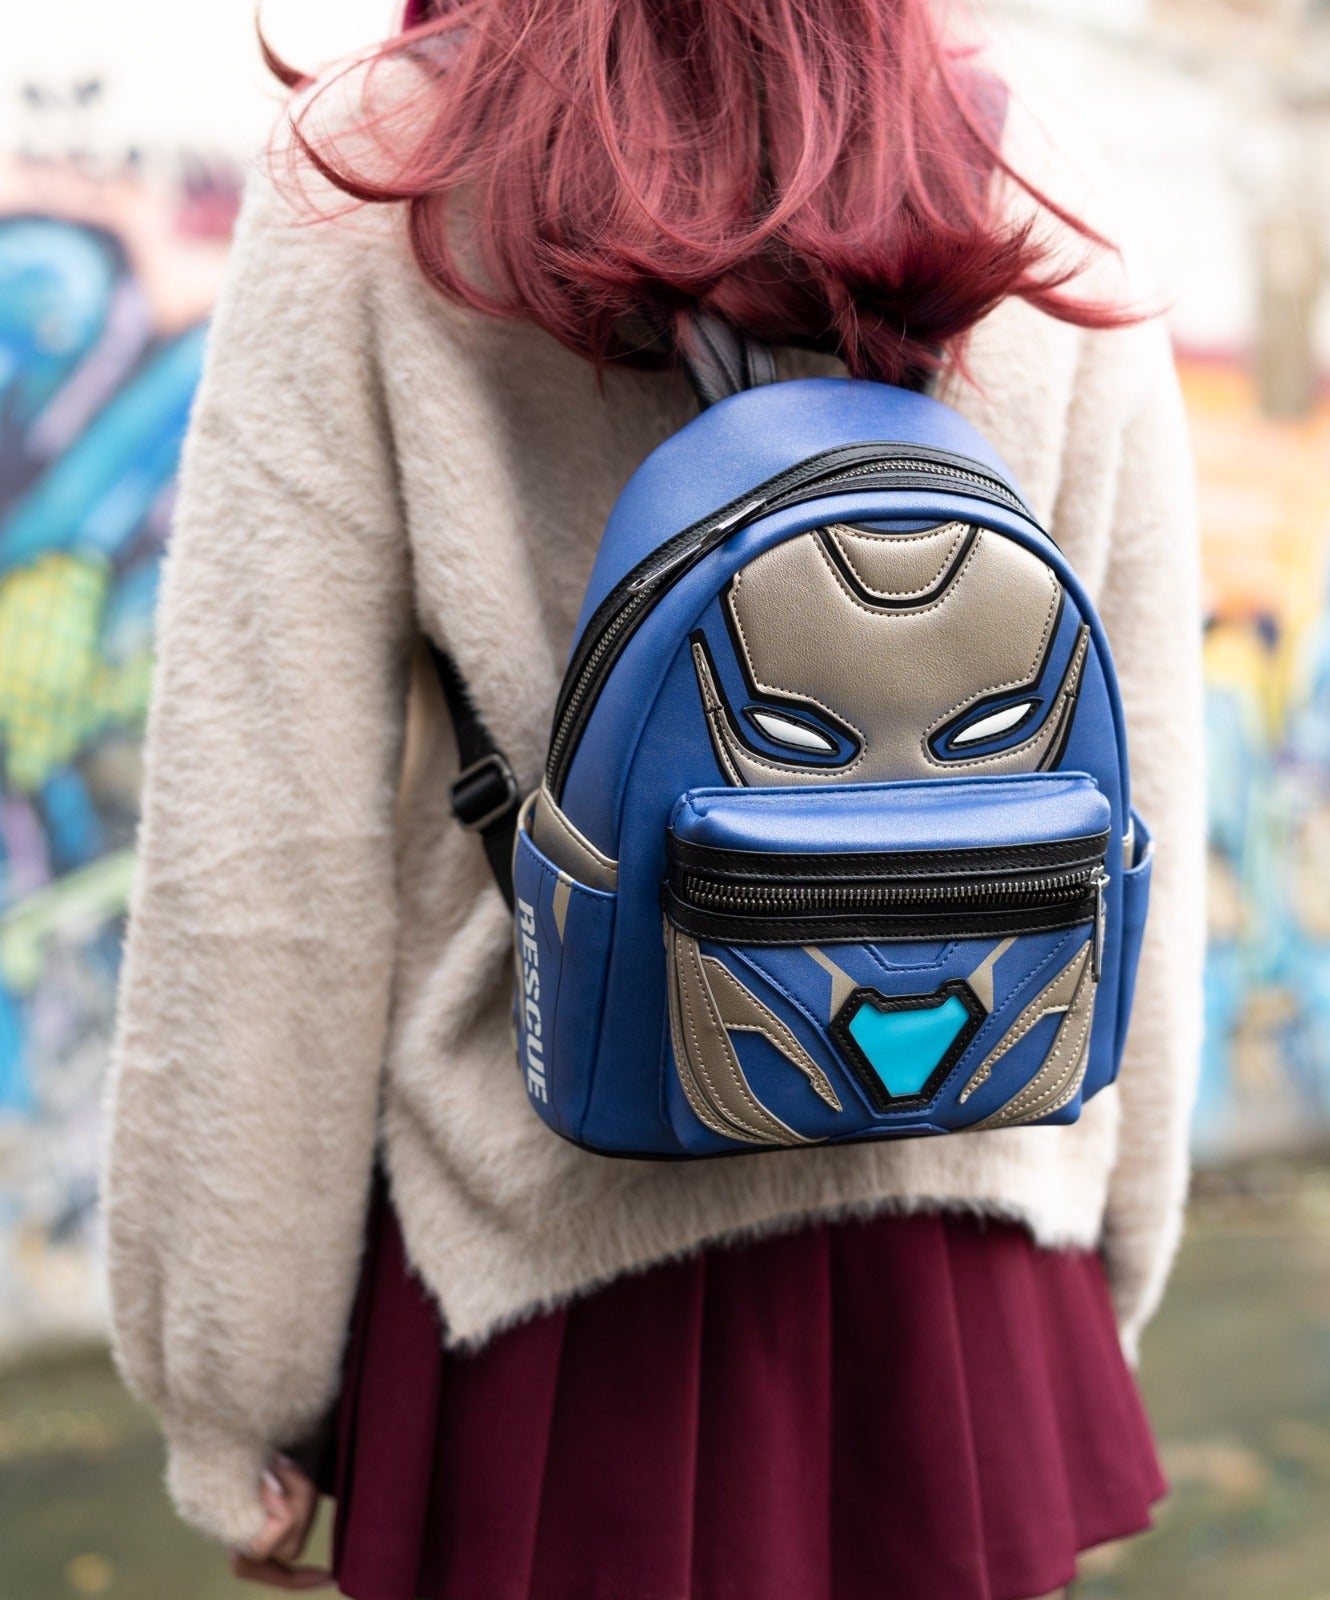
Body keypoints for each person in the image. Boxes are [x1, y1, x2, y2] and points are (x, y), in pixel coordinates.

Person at [102, 0, 1205, 1594]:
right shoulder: (1030, 174)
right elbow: (1143, 765)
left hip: (552, 1293)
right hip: (966, 1259)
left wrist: (236, 1381)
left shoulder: (380, 178)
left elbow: (266, 858)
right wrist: (1113, 1251)